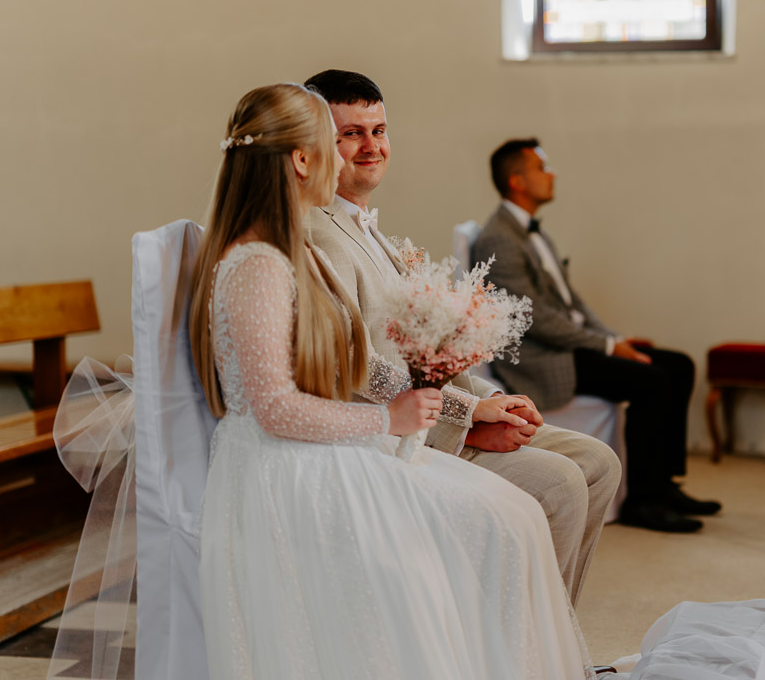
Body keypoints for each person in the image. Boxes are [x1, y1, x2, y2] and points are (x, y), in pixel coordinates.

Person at [189, 83, 594, 679]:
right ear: (301, 159)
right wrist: (392, 418)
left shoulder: (289, 250)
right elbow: (274, 408)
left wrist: (442, 401)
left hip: (326, 446)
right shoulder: (259, 264)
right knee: (510, 518)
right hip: (288, 469)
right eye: (335, 142)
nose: (346, 159)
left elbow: (341, 357)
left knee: (516, 516)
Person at [302, 70, 620, 603]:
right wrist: (468, 418)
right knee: (562, 483)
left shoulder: (365, 227)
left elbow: (427, 353)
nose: (372, 146)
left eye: (379, 131)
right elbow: (354, 367)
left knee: (599, 463)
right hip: (388, 431)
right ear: (313, 142)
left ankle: (552, 631)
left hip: (438, 409)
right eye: (351, 133)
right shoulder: (316, 234)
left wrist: (493, 398)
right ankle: (521, 638)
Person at [473, 138, 721, 534]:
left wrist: (614, 339)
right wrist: (607, 347)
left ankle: (665, 483)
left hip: (568, 344)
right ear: (517, 181)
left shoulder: (534, 232)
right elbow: (534, 320)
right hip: (542, 356)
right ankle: (643, 500)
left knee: (679, 365)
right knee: (652, 381)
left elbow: (573, 303)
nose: (552, 174)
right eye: (542, 168)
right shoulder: (499, 237)